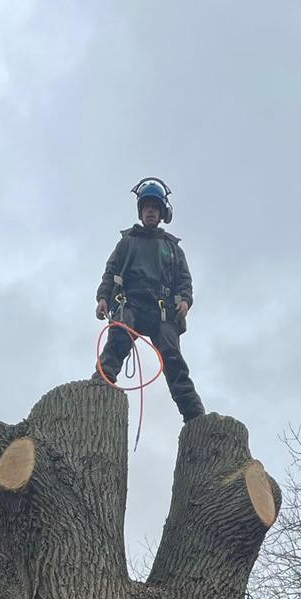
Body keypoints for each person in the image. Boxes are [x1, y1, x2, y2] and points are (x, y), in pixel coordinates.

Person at [95, 178, 205, 423]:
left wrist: (185, 301)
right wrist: (103, 298)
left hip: (162, 311)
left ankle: (194, 415)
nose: (151, 211)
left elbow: (184, 280)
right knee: (118, 338)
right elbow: (111, 272)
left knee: (173, 358)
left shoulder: (172, 248)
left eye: (155, 207)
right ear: (141, 211)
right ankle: (100, 386)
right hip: (130, 304)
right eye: (146, 207)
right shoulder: (127, 242)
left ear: (163, 212)